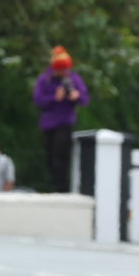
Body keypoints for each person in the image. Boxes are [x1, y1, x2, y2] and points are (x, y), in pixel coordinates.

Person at [35, 45, 89, 193]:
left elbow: (85, 99)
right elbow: (38, 101)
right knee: (50, 157)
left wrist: (76, 96)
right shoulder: (44, 80)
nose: (64, 72)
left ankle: (62, 188)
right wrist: (55, 98)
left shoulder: (73, 79)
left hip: (65, 123)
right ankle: (53, 186)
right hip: (48, 124)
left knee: (61, 156)